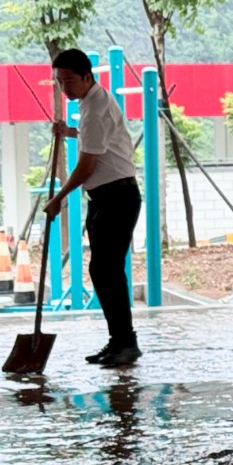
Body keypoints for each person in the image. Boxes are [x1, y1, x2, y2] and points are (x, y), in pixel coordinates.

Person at [45, 48, 143, 367]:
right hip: (105, 197)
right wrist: (69, 133)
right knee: (104, 270)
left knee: (106, 270)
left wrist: (58, 198)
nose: (64, 88)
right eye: (60, 82)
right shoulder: (92, 100)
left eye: (69, 81)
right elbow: (98, 140)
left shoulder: (94, 108)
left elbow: (87, 165)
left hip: (117, 197)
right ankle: (120, 341)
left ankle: (125, 342)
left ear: (87, 77)